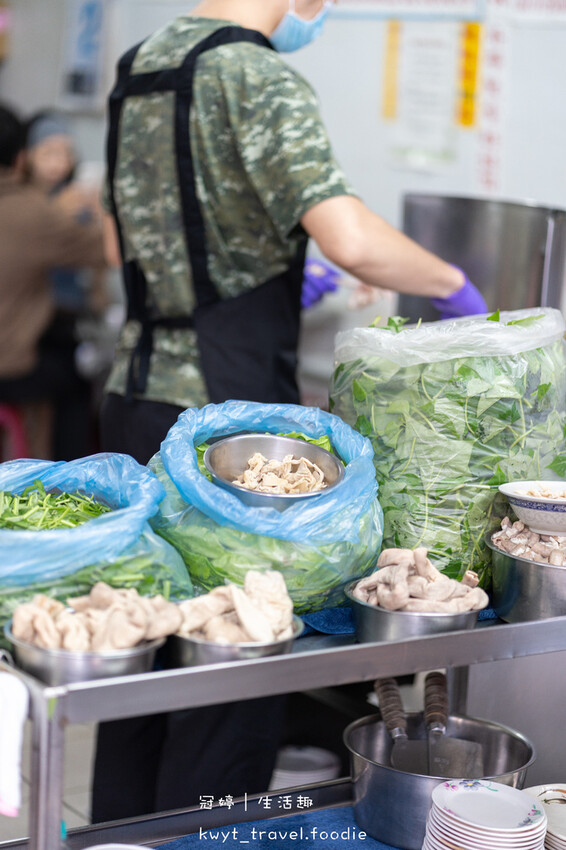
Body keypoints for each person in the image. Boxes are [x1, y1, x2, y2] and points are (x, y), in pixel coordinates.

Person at [92, 0, 487, 822]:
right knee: (233, 669)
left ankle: (119, 840)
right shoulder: (259, 72)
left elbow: (116, 241)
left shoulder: (140, 66)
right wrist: (450, 284)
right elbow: (349, 236)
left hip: (137, 401)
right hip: (224, 436)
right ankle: (202, 839)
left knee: (136, 655)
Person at [0, 103, 106, 460]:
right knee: (76, 379)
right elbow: (105, 250)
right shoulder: (34, 211)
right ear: (22, 158)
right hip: (9, 365)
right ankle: (67, 478)